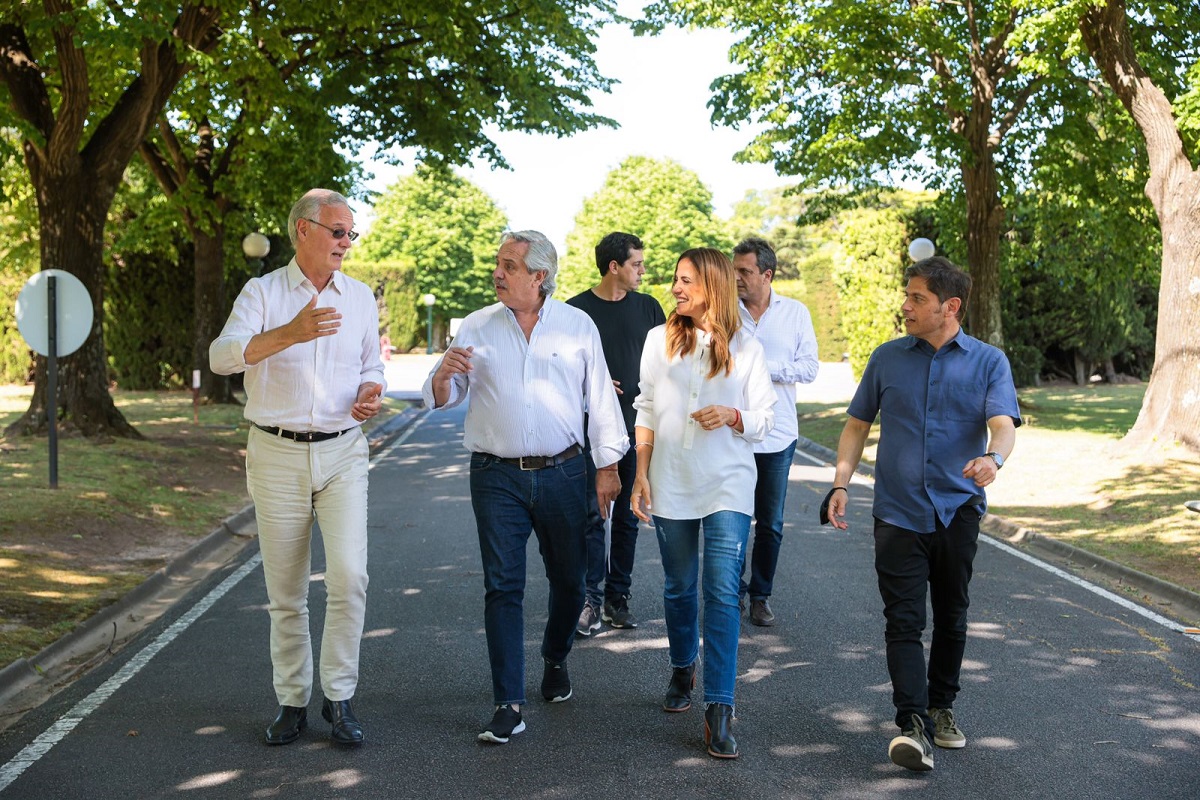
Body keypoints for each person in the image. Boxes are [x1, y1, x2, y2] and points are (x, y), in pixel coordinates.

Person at [421, 230, 628, 745]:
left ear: (539, 277)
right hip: (496, 475)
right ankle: (507, 703)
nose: (498, 272)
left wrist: (608, 467)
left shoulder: (577, 326)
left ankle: (555, 657)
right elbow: (443, 398)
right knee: (503, 585)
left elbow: (600, 398)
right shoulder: (476, 326)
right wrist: (443, 373)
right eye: (498, 263)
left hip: (564, 473)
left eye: (510, 266)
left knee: (572, 584)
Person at [826, 256, 1020, 772]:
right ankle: (912, 722)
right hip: (897, 512)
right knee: (903, 620)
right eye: (907, 296)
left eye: (917, 299)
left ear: (949, 307)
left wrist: (993, 458)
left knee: (952, 615)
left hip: (957, 510)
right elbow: (855, 426)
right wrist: (840, 484)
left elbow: (1003, 424)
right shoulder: (887, 358)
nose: (905, 306)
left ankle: (942, 707)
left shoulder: (987, 362)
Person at [210, 188, 385, 747]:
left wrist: (370, 391)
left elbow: (371, 364)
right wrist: (292, 331)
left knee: (350, 577)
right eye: (337, 231)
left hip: (342, 450)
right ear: (302, 231)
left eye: (351, 233)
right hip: (276, 451)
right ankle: (292, 702)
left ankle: (340, 698)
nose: (346, 242)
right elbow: (220, 357)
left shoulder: (359, 296)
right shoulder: (261, 292)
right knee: (286, 591)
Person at [630, 248, 776, 759]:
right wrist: (640, 474)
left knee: (720, 590)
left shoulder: (748, 346)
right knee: (677, 587)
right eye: (675, 279)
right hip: (670, 481)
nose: (676, 288)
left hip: (728, 484)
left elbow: (766, 420)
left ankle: (720, 706)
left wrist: (734, 415)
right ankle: (680, 666)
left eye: (686, 280)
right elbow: (645, 408)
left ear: (711, 285)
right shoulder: (658, 341)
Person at [567, 232, 666, 636]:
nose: (643, 270)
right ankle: (587, 599)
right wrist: (592, 380)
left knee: (628, 516)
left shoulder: (650, 308)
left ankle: (616, 599)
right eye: (637, 264)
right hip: (590, 433)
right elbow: (554, 371)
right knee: (592, 517)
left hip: (638, 429)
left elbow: (670, 359)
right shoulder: (575, 312)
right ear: (614, 267)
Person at [732, 237, 819, 627]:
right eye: (734, 270)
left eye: (745, 271)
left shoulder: (795, 313)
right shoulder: (724, 311)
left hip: (778, 435)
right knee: (732, 517)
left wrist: (762, 367)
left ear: (766, 274)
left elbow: (809, 367)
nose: (737, 278)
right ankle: (730, 592)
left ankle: (760, 596)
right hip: (733, 432)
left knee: (769, 522)